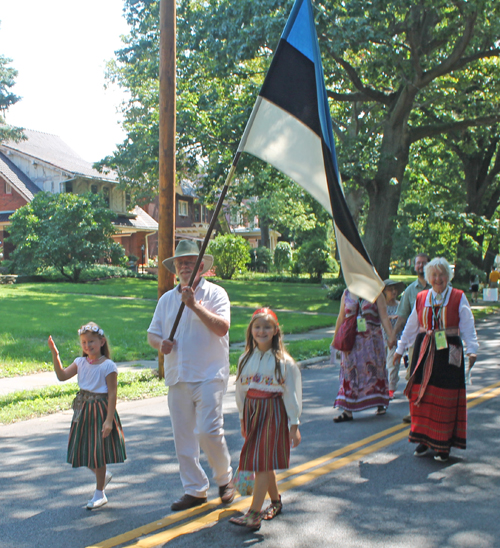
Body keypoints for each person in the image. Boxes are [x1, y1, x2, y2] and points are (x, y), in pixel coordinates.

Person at [147, 240, 234, 511]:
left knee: (209, 431)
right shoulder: (166, 300)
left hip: (210, 373)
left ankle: (225, 478)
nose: (185, 266)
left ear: (201, 267)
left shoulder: (217, 294)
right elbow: (153, 333)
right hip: (178, 376)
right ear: (175, 268)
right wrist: (159, 345)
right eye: (180, 263)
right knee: (183, 437)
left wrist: (194, 305)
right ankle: (195, 489)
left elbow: (222, 328)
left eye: (190, 262)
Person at [393, 258, 478, 462]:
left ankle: (443, 445)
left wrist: (472, 349)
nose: (438, 278)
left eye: (442, 275)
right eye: (434, 275)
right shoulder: (422, 298)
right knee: (421, 396)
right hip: (424, 349)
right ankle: (424, 440)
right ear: (429, 277)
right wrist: (400, 349)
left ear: (448, 277)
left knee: (445, 399)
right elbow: (412, 326)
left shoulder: (458, 297)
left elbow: (467, 325)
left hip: (449, 352)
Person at [229, 308, 302, 531]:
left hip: (273, 412)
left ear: (275, 331)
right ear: (251, 330)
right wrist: (243, 418)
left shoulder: (284, 363)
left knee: (262, 462)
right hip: (252, 413)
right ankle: (276, 501)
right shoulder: (245, 359)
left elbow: (291, 394)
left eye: (267, 327)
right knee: (263, 460)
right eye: (257, 326)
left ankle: (253, 514)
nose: (262, 331)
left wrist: (294, 424)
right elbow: (241, 392)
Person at [48, 322, 126, 510]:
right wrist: (55, 355)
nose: (87, 346)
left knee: (97, 452)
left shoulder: (108, 366)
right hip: (83, 409)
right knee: (81, 449)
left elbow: (113, 394)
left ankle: (100, 493)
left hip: (100, 410)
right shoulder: (80, 362)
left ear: (101, 342)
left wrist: (109, 420)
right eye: (83, 342)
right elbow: (62, 375)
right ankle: (103, 477)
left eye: (91, 341)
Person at [332, 289, 394, 422]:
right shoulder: (347, 293)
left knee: (375, 372)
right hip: (351, 342)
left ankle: (379, 403)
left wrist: (391, 336)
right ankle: (347, 410)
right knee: (350, 373)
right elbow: (341, 317)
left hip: (372, 343)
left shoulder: (377, 293)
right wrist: (335, 338)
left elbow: (384, 317)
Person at [392, 253, 431, 422]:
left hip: (437, 338)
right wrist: (394, 337)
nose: (420, 266)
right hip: (416, 340)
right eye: (418, 263)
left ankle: (430, 408)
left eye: (424, 263)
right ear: (414, 266)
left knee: (433, 374)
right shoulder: (410, 291)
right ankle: (413, 410)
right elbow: (403, 317)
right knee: (413, 375)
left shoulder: (438, 285)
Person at [382, 279, 406, 398]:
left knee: (393, 364)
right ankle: (381, 388)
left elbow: (404, 319)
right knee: (382, 365)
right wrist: (389, 318)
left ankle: (390, 389)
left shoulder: (400, 305)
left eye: (395, 289)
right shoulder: (381, 306)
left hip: (395, 339)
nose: (393, 292)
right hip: (382, 339)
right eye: (390, 289)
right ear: (384, 291)